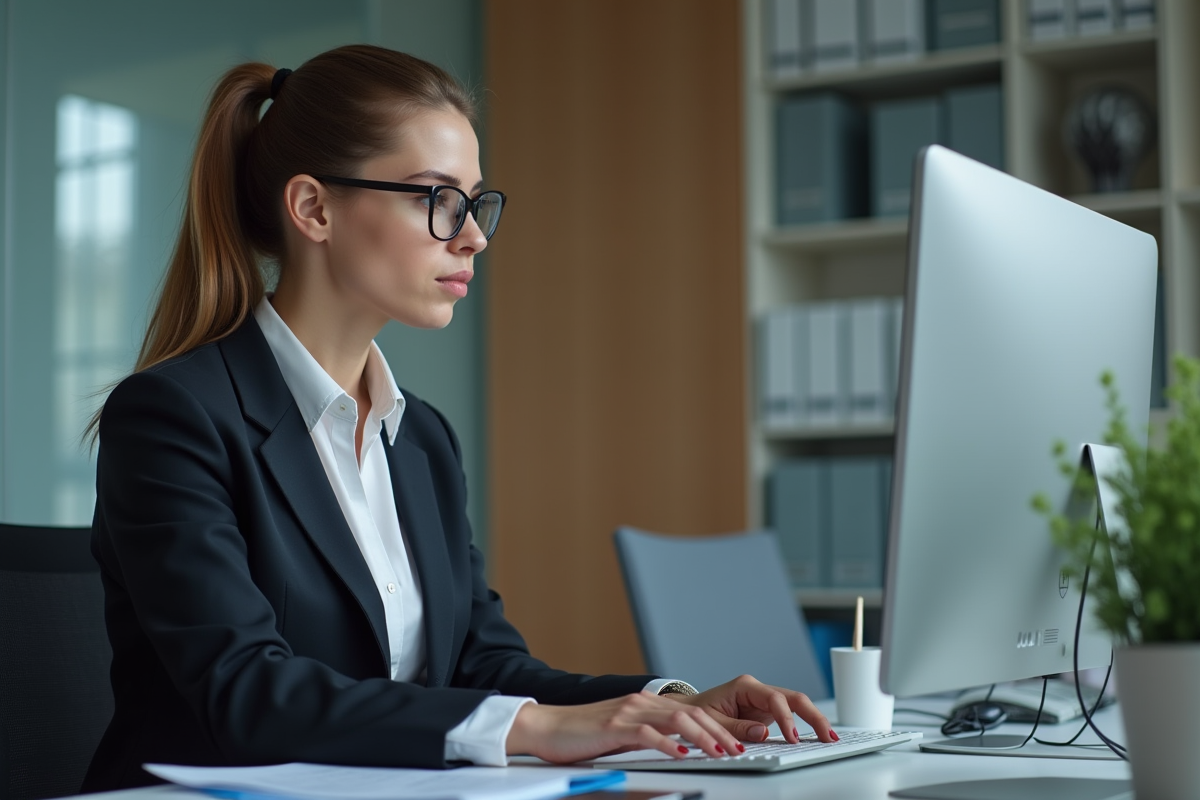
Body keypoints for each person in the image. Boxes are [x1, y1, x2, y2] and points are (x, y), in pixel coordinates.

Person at [82, 45, 835, 792]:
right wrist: (531, 727)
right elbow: (246, 692)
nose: (472, 234)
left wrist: (670, 705)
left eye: (475, 203)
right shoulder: (175, 417)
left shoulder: (422, 439)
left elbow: (484, 665)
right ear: (313, 207)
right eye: (437, 198)